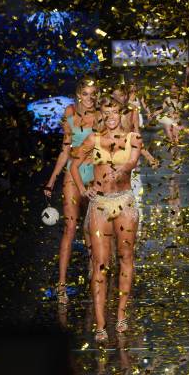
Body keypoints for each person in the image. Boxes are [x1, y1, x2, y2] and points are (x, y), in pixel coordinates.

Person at [70, 96, 143, 342]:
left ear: (122, 113)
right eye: (107, 112)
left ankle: (121, 313)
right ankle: (100, 322)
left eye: (115, 112)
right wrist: (81, 188)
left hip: (124, 203)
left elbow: (132, 161)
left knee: (125, 258)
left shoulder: (134, 138)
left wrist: (123, 169)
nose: (111, 116)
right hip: (100, 204)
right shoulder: (94, 139)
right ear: (102, 113)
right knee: (100, 263)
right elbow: (74, 164)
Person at [43, 75, 100, 304]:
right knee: (69, 228)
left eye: (93, 94)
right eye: (85, 94)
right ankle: (61, 284)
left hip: (93, 175)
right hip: (72, 174)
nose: (89, 98)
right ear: (78, 94)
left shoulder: (101, 116)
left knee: (91, 227)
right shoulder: (69, 113)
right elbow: (65, 150)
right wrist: (51, 179)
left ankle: (92, 266)